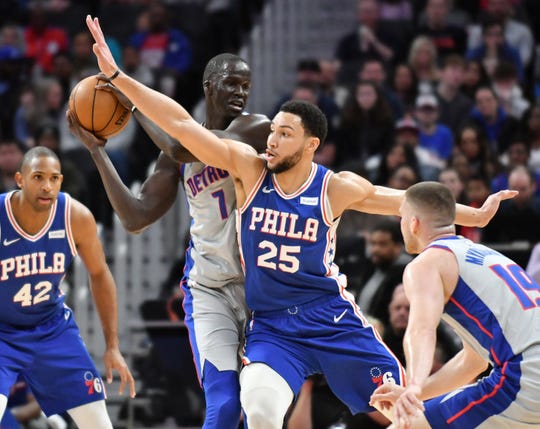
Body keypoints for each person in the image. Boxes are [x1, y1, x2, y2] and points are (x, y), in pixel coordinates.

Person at [85, 15, 516, 427]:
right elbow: (180, 124)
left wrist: (471, 212)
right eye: (272, 131)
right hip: (273, 325)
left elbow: (405, 200)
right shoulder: (248, 168)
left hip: (330, 318)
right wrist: (119, 77)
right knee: (258, 407)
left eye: (284, 134)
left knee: (403, 406)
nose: (271, 139)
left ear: (311, 145)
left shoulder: (335, 187)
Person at [68, 52, 270, 429]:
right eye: (231, 83)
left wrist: (134, 101)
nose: (240, 92)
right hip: (209, 287)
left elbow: (181, 146)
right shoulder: (172, 152)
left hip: (262, 286)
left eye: (246, 85)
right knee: (224, 405)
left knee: (262, 407)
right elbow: (135, 217)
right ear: (209, 86)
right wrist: (97, 151)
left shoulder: (255, 129)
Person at [370, 181, 540, 428]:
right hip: (529, 375)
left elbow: (421, 329)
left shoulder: (426, 263)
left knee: (406, 424)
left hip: (526, 376)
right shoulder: (485, 256)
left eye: (402, 217)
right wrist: (413, 392)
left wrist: (415, 383)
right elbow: (473, 362)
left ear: (413, 222)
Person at [0, 146, 135, 429]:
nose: (46, 186)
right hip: (3, 334)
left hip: (51, 330)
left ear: (61, 181)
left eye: (53, 178)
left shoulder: (75, 216)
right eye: (38, 177)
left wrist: (112, 345)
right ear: (20, 179)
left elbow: (99, 274)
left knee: (99, 424)